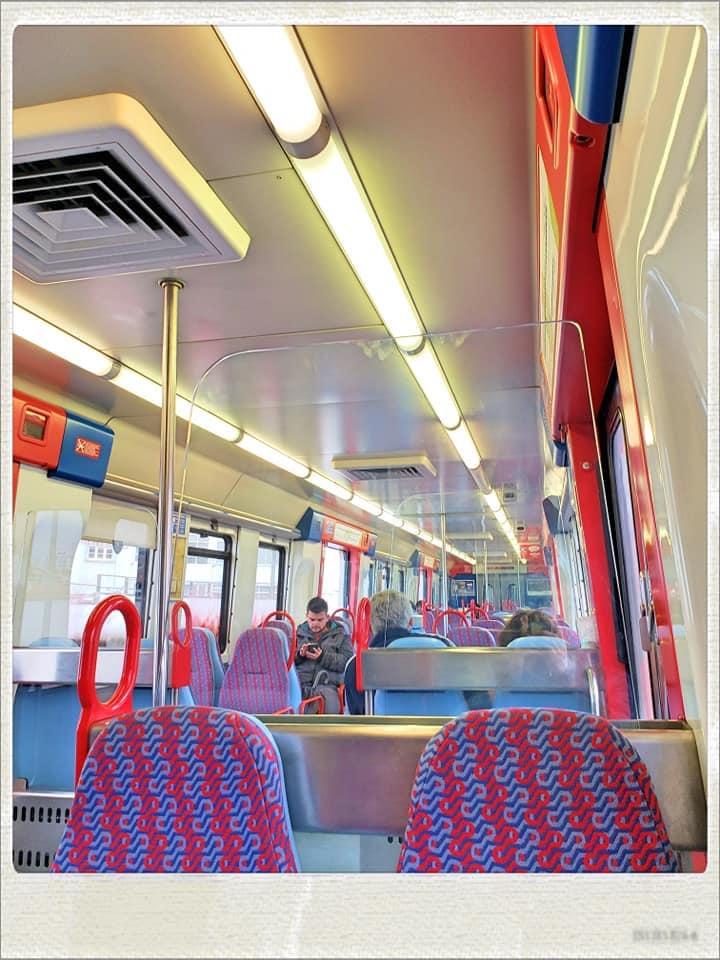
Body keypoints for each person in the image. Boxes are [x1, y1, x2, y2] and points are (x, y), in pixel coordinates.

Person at [343, 590, 452, 715]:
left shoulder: (356, 665)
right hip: (443, 726)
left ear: (369, 627)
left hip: (381, 727)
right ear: (411, 623)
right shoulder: (444, 648)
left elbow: (355, 714)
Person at [294, 597, 353, 713]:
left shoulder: (340, 635)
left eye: (320, 620)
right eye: (312, 619)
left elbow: (347, 663)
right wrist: (300, 655)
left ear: (327, 617)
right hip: (301, 684)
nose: (315, 624)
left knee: (328, 706)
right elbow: (288, 661)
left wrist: (322, 657)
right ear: (306, 616)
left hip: (328, 684)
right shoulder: (298, 634)